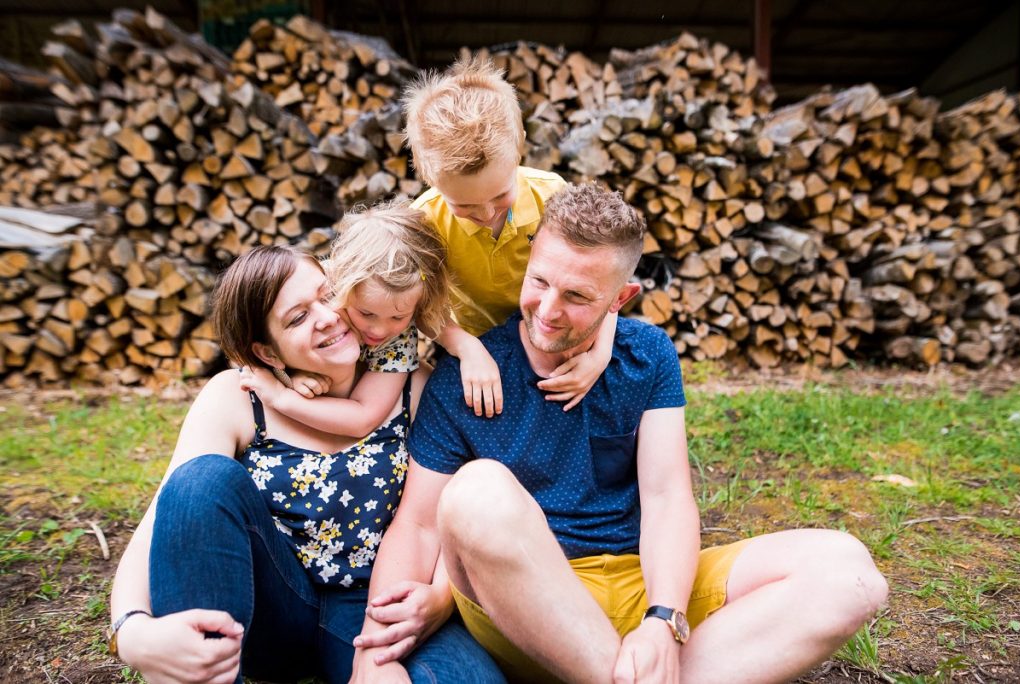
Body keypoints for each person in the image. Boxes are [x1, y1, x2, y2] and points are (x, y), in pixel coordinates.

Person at [355, 184, 890, 683]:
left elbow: (667, 498)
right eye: (539, 281)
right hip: (526, 606)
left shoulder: (647, 355)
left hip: (638, 586)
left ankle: (627, 670)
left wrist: (663, 619)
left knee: (848, 572)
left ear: (620, 298)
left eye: (577, 296)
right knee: (476, 490)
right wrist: (371, 657)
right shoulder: (467, 372)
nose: (547, 310)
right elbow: (420, 525)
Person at [107, 245, 505, 684]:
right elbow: (168, 516)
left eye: (328, 293)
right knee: (201, 479)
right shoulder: (239, 396)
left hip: (378, 604)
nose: (327, 316)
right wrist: (130, 629)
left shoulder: (415, 385)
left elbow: (450, 509)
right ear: (269, 353)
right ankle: (200, 671)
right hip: (272, 608)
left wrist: (441, 597)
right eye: (297, 318)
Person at [404, 55, 616, 417]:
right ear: (431, 180)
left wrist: (600, 354)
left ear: (519, 148)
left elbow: (602, 279)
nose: (487, 214)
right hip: (477, 341)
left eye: (501, 196)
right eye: (466, 206)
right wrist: (464, 347)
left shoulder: (553, 195)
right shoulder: (424, 220)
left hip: (554, 330)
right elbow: (420, 304)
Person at [238, 203, 450, 440]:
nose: (379, 330)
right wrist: (288, 376)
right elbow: (250, 332)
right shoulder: (323, 282)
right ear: (342, 283)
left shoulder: (396, 339)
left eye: (398, 317)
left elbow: (363, 418)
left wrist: (282, 396)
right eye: (366, 313)